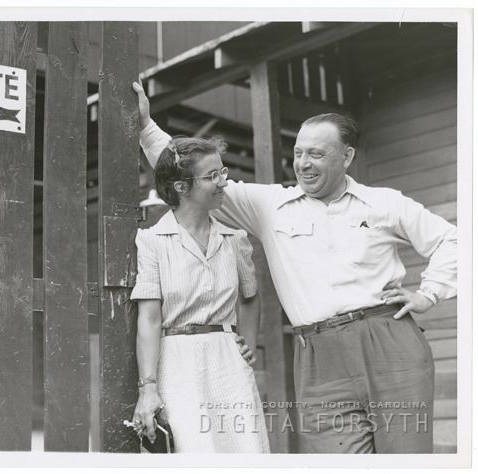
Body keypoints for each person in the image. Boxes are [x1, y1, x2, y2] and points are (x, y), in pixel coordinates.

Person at [132, 82, 457, 454]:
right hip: (318, 356)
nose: (303, 163)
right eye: (299, 152)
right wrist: (145, 127)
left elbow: (453, 240)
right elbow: (186, 172)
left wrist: (429, 293)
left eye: (317, 154)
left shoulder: (384, 204)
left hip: (388, 343)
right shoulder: (272, 206)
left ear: (346, 156)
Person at [129, 135, 270, 453]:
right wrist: (148, 389)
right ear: (181, 187)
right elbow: (149, 320)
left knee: (246, 452)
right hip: (178, 362)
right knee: (195, 451)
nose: (224, 182)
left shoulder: (235, 238)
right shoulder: (152, 241)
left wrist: (246, 346)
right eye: (212, 176)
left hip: (228, 361)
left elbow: (250, 297)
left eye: (223, 172)